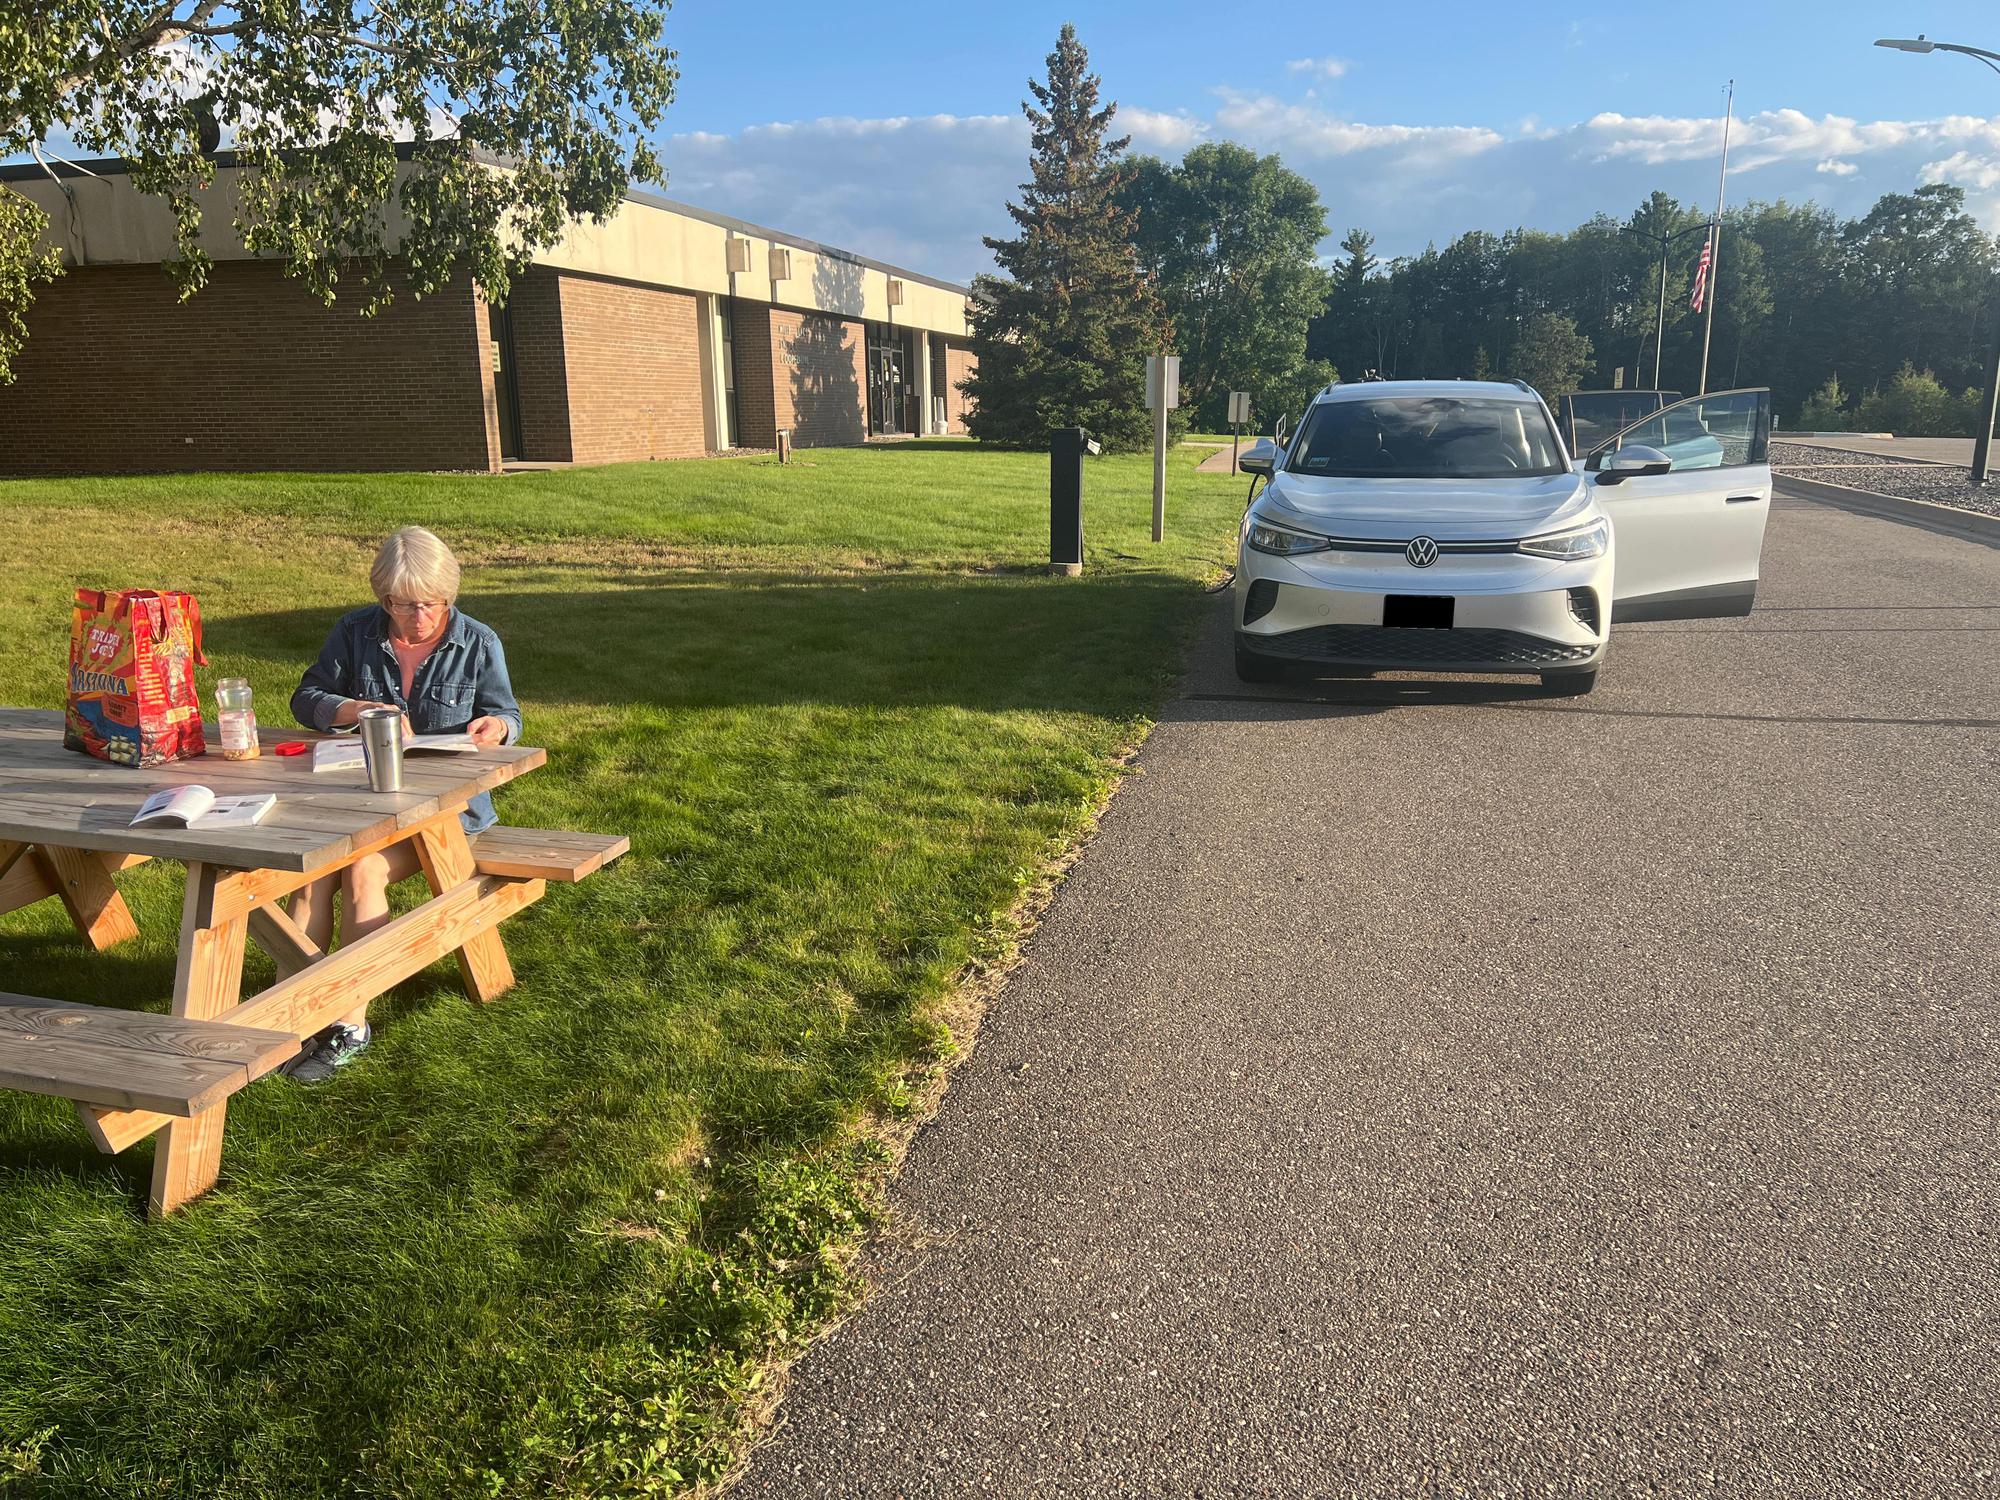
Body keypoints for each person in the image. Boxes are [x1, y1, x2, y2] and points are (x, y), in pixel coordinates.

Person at [284, 525, 522, 1082]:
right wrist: (357, 708)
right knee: (311, 876)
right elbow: (307, 698)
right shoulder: (354, 632)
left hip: (446, 815)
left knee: (361, 872)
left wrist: (497, 729)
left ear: (449, 596)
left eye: (430, 604)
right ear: (382, 597)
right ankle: (291, 1013)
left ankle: (349, 1022)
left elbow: (508, 715)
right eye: (401, 605)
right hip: (364, 802)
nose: (417, 618)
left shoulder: (479, 641)